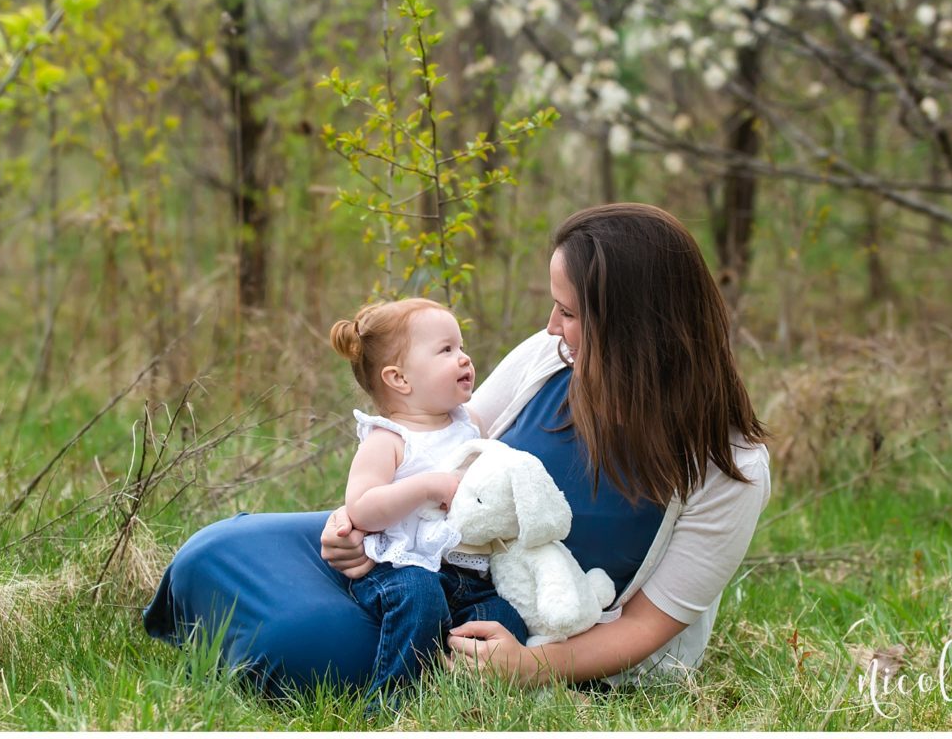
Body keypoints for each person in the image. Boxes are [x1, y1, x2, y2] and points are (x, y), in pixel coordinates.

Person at [144, 205, 770, 695]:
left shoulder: (731, 468)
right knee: (213, 549)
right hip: (434, 559)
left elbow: (649, 626)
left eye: (568, 311)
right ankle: (234, 621)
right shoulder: (547, 361)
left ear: (634, 326)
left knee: (294, 643)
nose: (551, 327)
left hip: (511, 627)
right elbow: (441, 444)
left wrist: (530, 667)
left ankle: (274, 650)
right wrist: (352, 525)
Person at [327, 299, 487, 701]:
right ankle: (394, 704)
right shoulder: (388, 439)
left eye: (462, 346)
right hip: (398, 565)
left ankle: (466, 692)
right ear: (399, 378)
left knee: (501, 611)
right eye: (446, 350)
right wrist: (427, 486)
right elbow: (361, 506)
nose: (464, 358)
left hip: (460, 570)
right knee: (420, 596)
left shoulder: (470, 425)